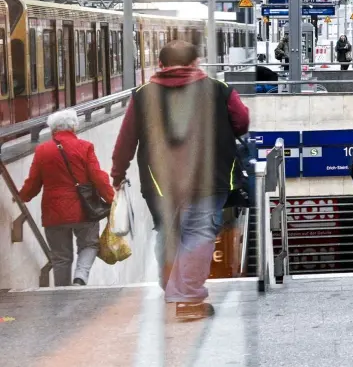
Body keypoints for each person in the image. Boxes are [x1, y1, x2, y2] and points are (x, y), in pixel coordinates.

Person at [111, 40, 250, 321]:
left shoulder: (143, 95)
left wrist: (117, 173)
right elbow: (242, 122)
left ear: (160, 65)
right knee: (198, 232)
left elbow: (126, 139)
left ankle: (172, 288)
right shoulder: (219, 89)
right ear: (194, 63)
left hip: (160, 181)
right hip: (209, 177)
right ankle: (187, 299)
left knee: (167, 230)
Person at [19, 109, 115, 287]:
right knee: (89, 244)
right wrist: (111, 199)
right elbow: (98, 177)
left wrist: (22, 197)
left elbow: (33, 183)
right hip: (84, 211)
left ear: (53, 130)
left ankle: (62, 292)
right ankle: (80, 277)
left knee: (61, 258)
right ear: (73, 127)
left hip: (54, 214)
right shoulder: (85, 147)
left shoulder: (42, 151)